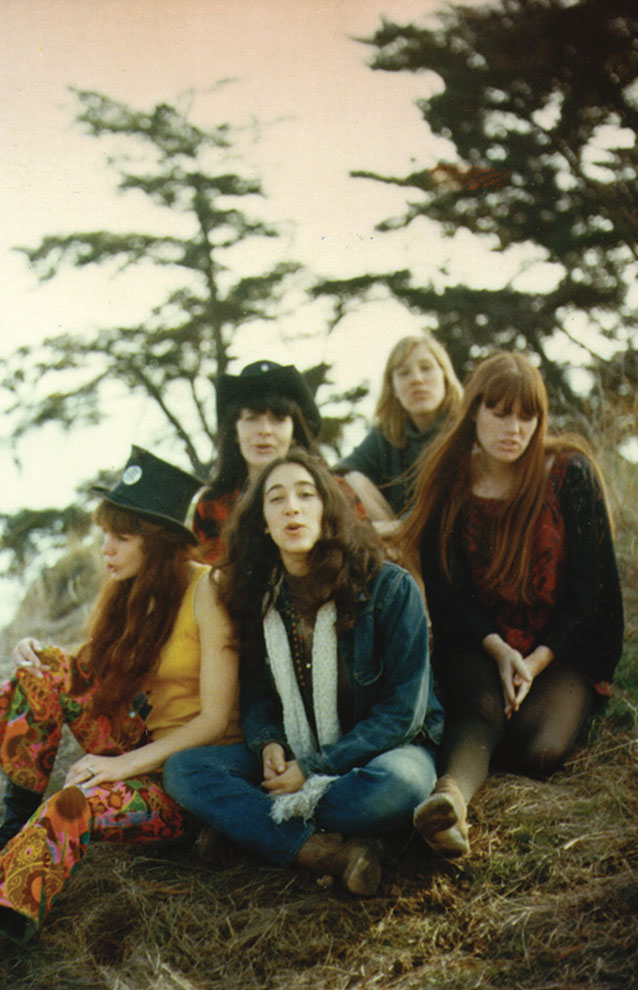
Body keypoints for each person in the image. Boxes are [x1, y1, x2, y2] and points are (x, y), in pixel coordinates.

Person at [164, 450, 443, 896]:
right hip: (297, 750)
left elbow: (402, 716)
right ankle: (322, 850)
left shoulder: (390, 588)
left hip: (385, 752)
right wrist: (269, 742)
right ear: (263, 524)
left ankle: (249, 828)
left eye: (306, 495)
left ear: (328, 511)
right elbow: (257, 692)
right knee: (184, 770)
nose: (291, 507)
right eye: (276, 499)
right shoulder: (259, 599)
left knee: (398, 786)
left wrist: (313, 768)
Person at [0, 447, 240, 942]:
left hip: (186, 778)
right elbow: (87, 670)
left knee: (71, 805)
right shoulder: (130, 592)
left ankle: (8, 918)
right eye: (105, 534)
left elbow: (215, 721)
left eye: (121, 538)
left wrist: (120, 767)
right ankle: (11, 829)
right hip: (137, 746)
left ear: (159, 544)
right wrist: (38, 654)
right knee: (38, 672)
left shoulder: (208, 590)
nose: (105, 549)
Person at [400, 352, 624, 857]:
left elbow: (593, 595)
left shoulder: (570, 474)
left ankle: (479, 746)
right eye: (500, 413)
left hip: (558, 646)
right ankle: (449, 801)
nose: (514, 429)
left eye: (527, 416)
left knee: (542, 749)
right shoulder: (448, 479)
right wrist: (499, 651)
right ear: (473, 412)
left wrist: (536, 660)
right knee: (481, 709)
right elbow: (448, 593)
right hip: (480, 640)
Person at [193, 360, 323, 563]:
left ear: (295, 431)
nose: (265, 431)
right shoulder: (212, 504)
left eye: (278, 419)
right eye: (252, 418)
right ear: (234, 431)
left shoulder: (333, 491)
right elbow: (211, 574)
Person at [336, 333, 463, 527]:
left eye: (426, 368)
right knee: (351, 479)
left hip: (455, 534)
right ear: (393, 388)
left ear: (445, 376)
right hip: (399, 538)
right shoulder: (386, 435)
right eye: (404, 373)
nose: (417, 379)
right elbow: (337, 473)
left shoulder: (467, 429)